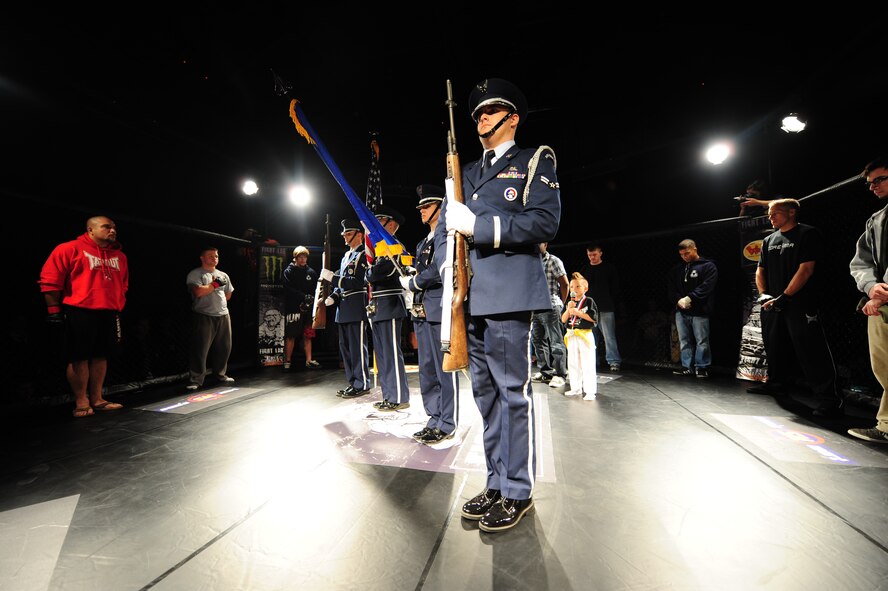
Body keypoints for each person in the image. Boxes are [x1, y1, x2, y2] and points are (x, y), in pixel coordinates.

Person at [438, 77, 560, 532]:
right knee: (486, 396)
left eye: (490, 112)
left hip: (508, 291)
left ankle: (518, 490)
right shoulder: (465, 172)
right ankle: (496, 480)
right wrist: (442, 278)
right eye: (476, 115)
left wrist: (481, 225)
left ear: (512, 117)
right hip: (468, 295)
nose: (480, 119)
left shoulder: (534, 160)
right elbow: (446, 234)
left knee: (513, 394)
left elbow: (544, 222)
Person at [751, 199, 843, 417]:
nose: (770, 218)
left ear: (791, 212)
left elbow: (806, 270)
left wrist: (785, 297)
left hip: (800, 303)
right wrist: (764, 294)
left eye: (775, 213)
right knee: (774, 345)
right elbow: (759, 270)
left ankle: (830, 399)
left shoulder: (808, 233)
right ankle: (776, 384)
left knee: (811, 349)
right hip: (772, 303)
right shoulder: (769, 240)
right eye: (769, 214)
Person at [39, 216, 128, 417]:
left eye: (114, 227)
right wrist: (53, 311)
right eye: (106, 227)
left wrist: (117, 305)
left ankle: (97, 398)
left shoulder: (120, 257)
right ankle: (81, 401)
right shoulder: (69, 248)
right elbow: (51, 280)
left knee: (101, 355)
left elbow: (123, 284)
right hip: (80, 310)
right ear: (90, 230)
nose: (112, 230)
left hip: (108, 311)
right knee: (78, 356)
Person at [400, 184, 459, 443]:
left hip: (439, 309)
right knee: (427, 369)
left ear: (439, 207)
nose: (421, 211)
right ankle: (433, 417)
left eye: (426, 206)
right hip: (422, 310)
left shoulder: (447, 237)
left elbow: (440, 270)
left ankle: (447, 422)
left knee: (443, 368)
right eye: (420, 207)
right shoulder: (423, 241)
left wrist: (415, 282)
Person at [847, 156, 888, 443]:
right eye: (870, 183)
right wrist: (873, 287)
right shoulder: (876, 220)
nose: (873, 187)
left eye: (879, 180)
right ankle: (886, 426)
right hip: (881, 303)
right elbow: (860, 263)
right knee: (883, 367)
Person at [365, 207, 411, 412]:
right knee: (382, 355)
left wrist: (371, 273)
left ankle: (399, 396)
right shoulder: (382, 250)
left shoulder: (395, 247)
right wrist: (371, 272)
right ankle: (389, 395)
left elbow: (380, 273)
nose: (377, 226)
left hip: (391, 304)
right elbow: (370, 273)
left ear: (391, 225)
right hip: (379, 306)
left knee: (391, 353)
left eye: (381, 222)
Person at [320, 220, 370, 398]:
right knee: (346, 350)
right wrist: (333, 296)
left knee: (357, 349)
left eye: (348, 234)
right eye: (344, 234)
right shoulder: (345, 257)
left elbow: (357, 282)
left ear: (359, 234)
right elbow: (341, 285)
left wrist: (333, 278)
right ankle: (353, 382)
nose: (345, 238)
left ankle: (362, 383)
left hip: (357, 307)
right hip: (343, 309)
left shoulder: (364, 255)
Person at [185, 247, 235, 391]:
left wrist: (215, 294)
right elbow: (199, 292)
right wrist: (214, 285)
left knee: (224, 347)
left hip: (223, 315)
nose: (214, 258)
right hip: (203, 315)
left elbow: (228, 295)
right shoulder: (195, 274)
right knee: (200, 349)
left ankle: (220, 375)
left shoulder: (223, 274)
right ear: (202, 258)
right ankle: (196, 379)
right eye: (210, 256)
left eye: (216, 256)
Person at [668, 239, 718, 379]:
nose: (685, 256)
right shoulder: (677, 269)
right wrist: (679, 301)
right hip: (681, 311)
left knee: (701, 340)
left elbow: (706, 287)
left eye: (687, 253)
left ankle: (702, 367)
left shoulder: (708, 266)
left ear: (695, 249)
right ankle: (686, 366)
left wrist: (689, 298)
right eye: (682, 254)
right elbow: (672, 289)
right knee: (684, 340)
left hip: (700, 311)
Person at [577, 242, 622, 372]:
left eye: (594, 254)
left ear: (600, 253)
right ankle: (592, 361)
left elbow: (615, 289)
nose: (592, 257)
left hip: (606, 308)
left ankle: (613, 361)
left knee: (609, 336)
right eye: (589, 255)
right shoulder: (584, 270)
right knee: (590, 337)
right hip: (589, 310)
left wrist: (610, 301)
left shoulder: (609, 268)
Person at [530, 242, 569, 388]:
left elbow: (565, 284)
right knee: (538, 341)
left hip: (551, 306)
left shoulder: (553, 260)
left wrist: (561, 303)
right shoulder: (531, 262)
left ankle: (560, 374)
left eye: (538, 243)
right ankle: (545, 371)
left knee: (556, 342)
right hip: (535, 307)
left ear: (545, 244)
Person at [281, 246, 320, 370]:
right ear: (295, 258)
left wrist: (312, 298)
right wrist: (303, 296)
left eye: (305, 257)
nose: (303, 259)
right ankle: (287, 361)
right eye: (300, 257)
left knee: (308, 335)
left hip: (308, 309)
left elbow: (317, 288)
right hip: (294, 308)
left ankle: (309, 360)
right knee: (291, 335)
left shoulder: (311, 272)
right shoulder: (289, 271)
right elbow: (287, 288)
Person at [561, 272, 598, 400]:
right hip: (571, 335)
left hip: (584, 335)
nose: (574, 290)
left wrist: (578, 313)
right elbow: (563, 319)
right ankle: (575, 388)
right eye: (572, 287)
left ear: (585, 288)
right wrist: (568, 310)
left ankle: (590, 391)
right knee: (572, 363)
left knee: (587, 364)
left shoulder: (589, 301)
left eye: (578, 287)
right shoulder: (570, 302)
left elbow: (593, 319)